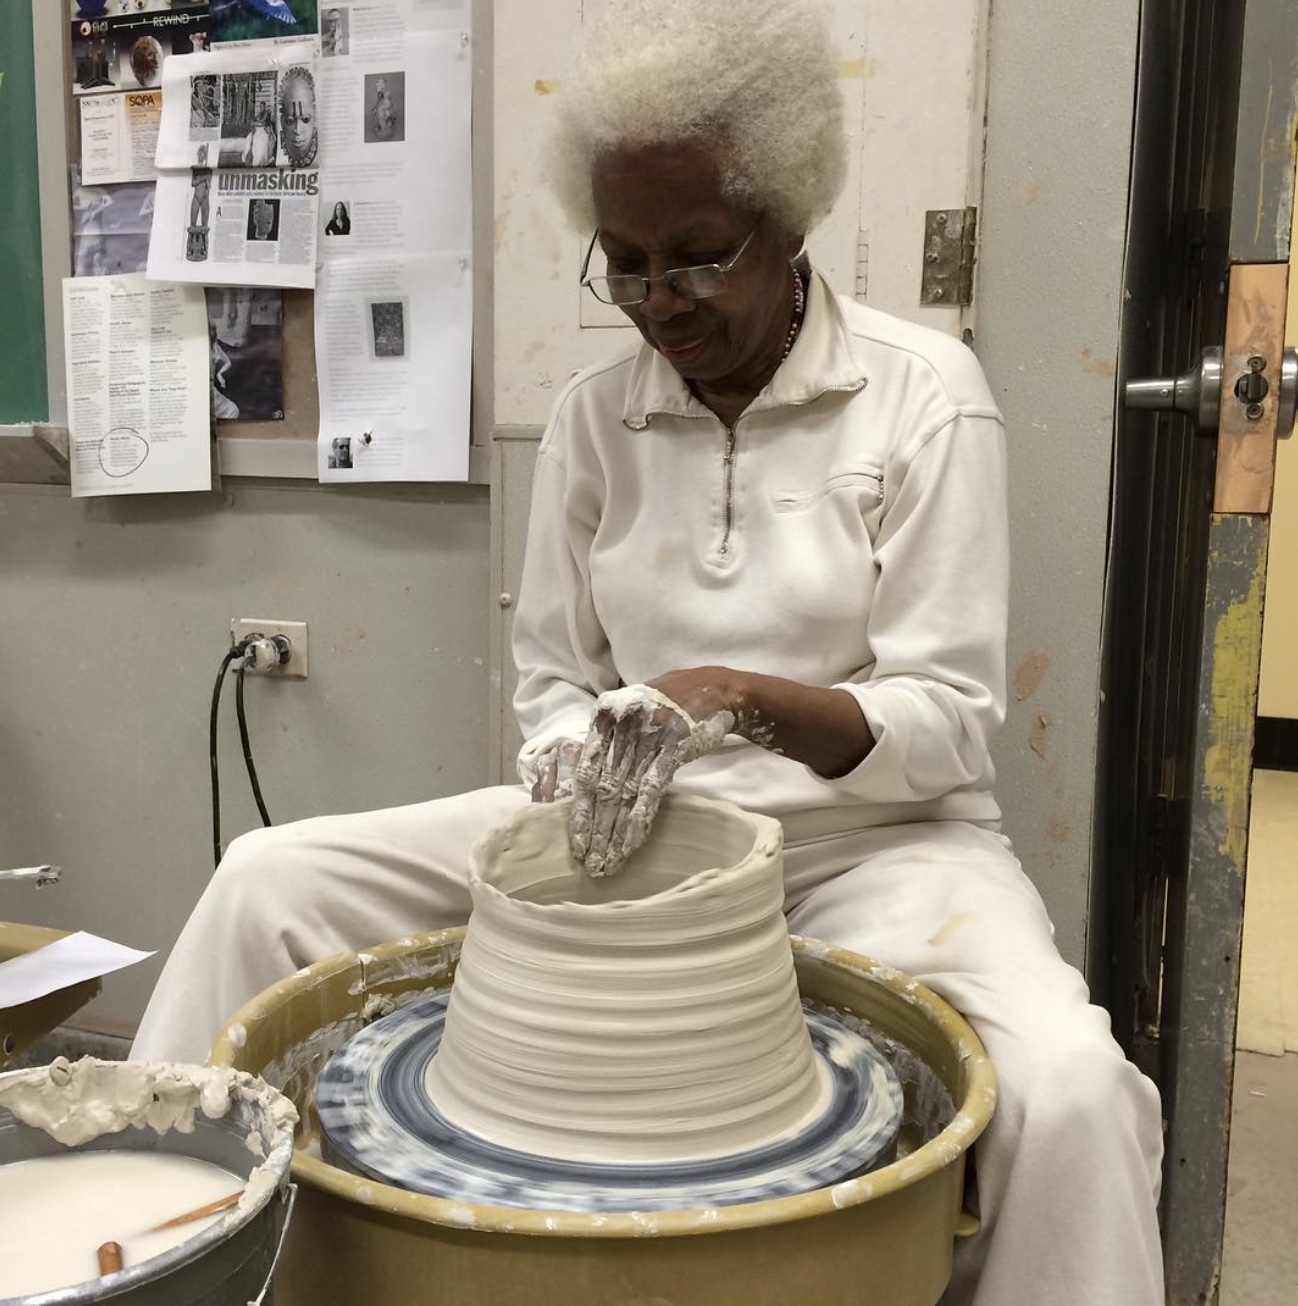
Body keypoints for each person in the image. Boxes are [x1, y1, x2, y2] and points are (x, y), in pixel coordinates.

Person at [132, 3, 1164, 1303]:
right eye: (622, 264)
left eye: (694, 259)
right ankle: (152, 1248)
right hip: (626, 830)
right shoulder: (594, 417)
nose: (656, 303)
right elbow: (551, 686)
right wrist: (583, 767)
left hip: (875, 850)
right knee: (264, 880)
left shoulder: (922, 393)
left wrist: (727, 699)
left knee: (1068, 1091)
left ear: (789, 223)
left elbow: (949, 720)